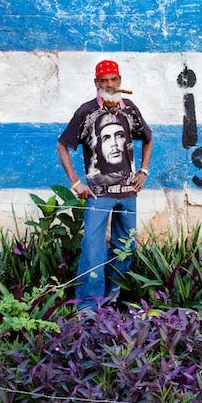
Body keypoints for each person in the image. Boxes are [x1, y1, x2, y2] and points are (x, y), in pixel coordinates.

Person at [57, 59, 153, 312]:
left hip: (128, 192)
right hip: (99, 195)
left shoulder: (129, 108)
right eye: (104, 80)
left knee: (126, 247)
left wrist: (143, 171)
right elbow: (62, 146)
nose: (110, 84)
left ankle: (109, 297)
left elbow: (148, 138)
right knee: (93, 247)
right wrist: (76, 182)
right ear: (96, 83)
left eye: (114, 79)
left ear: (120, 80)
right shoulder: (86, 112)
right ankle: (88, 306)